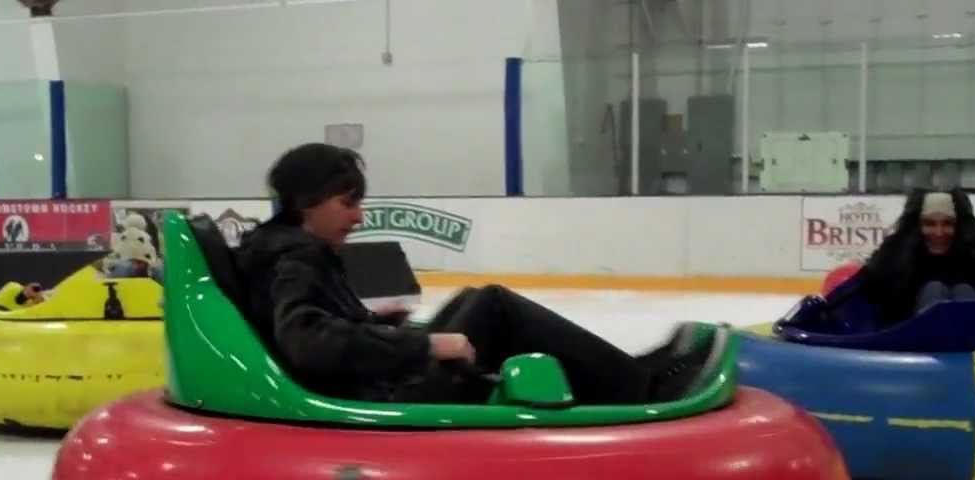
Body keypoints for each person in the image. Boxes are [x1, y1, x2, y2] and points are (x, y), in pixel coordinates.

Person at [232, 142, 725, 406]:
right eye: (349, 203)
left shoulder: (288, 248)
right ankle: (640, 387)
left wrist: (382, 328)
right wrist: (424, 345)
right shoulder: (294, 258)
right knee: (493, 306)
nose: (359, 216)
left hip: (373, 377)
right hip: (383, 393)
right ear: (305, 202)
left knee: (476, 299)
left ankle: (633, 372)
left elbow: (318, 328)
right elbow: (307, 341)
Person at [853, 187, 975, 327]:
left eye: (948, 224)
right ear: (917, 225)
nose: (939, 232)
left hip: (973, 342)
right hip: (914, 339)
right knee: (934, 290)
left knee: (964, 292)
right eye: (929, 224)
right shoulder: (898, 252)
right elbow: (870, 286)